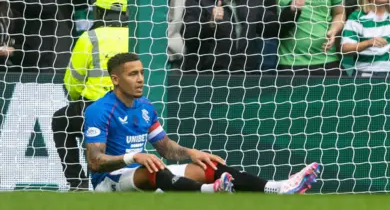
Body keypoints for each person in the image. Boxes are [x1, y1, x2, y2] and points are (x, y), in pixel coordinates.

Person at [85, 52, 322, 193]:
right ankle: (209, 192)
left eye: (141, 73)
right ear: (115, 79)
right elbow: (96, 162)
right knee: (152, 169)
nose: (140, 79)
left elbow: (165, 148)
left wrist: (192, 152)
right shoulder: (99, 110)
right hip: (110, 180)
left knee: (208, 166)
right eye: (132, 74)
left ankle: (278, 187)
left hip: (142, 171)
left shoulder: (145, 106)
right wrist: (132, 157)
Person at [51, 0, 129, 190]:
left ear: (99, 12)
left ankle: (77, 184)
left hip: (93, 108)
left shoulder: (90, 37)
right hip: (129, 109)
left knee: (61, 121)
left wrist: (75, 98)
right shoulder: (136, 35)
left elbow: (73, 80)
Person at [182, 0, 297, 72]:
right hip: (208, 76)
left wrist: (291, 11)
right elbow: (188, 36)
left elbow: (273, 28)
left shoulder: (250, 1)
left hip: (245, 76)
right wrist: (210, 23)